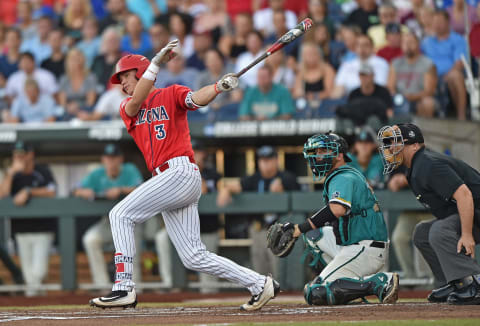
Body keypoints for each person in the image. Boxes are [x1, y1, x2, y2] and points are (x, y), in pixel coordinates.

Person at [89, 40, 280, 310]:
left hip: (179, 171)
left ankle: (124, 286)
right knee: (193, 256)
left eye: (126, 76)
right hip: (169, 180)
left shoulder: (170, 93)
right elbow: (136, 103)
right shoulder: (127, 108)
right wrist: (155, 64)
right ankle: (259, 283)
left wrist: (218, 87)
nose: (122, 83)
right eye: (119, 79)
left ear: (140, 73)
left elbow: (195, 99)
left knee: (119, 214)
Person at [277, 132, 399, 305]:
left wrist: (298, 228)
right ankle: (344, 279)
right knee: (314, 235)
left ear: (339, 155)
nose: (318, 157)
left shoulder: (343, 176)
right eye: (316, 153)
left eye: (322, 151)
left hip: (365, 248)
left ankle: (377, 283)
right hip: (353, 244)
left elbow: (337, 209)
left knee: (316, 293)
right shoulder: (343, 174)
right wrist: (305, 230)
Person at [378, 123, 480, 304]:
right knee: (422, 233)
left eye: (396, 142)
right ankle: (454, 282)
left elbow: (465, 195)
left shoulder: (427, 163)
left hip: (474, 209)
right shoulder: (417, 166)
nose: (391, 147)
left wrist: (466, 234)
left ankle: (471, 283)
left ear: (415, 145)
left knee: (439, 230)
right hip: (472, 212)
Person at [217, 145, 300, 277]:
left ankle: (283, 293)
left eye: (269, 160)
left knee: (279, 269)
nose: (266, 164)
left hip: (280, 230)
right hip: (259, 228)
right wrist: (225, 189)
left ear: (276, 160)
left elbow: (299, 202)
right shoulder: (254, 179)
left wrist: (281, 193)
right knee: (259, 270)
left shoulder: (286, 177)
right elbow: (236, 186)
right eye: (263, 160)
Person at [75, 144, 143, 289]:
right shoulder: (97, 173)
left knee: (130, 253)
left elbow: (142, 189)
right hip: (108, 223)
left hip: (131, 222)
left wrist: (121, 190)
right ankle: (103, 286)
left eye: (114, 158)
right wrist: (83, 192)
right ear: (103, 160)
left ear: (120, 159)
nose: (111, 162)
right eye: (108, 158)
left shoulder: (130, 169)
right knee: (90, 239)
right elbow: (76, 189)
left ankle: (134, 289)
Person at [0, 141, 56, 296]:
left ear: (30, 155)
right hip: (21, 229)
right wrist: (11, 173)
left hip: (43, 228)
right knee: (29, 275)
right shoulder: (12, 174)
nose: (19, 158)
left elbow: (52, 191)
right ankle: (36, 308)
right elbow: (2, 195)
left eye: (22, 154)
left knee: (39, 272)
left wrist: (29, 191)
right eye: (16, 155)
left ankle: (36, 303)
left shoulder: (42, 170)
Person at [421, 10, 468, 120]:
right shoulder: (427, 42)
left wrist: (446, 76)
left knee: (456, 76)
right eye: (435, 22)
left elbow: (459, 63)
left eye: (440, 21)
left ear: (448, 22)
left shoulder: (457, 39)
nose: (437, 25)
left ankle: (461, 116)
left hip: (449, 74)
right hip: (429, 76)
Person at [388, 32, 437, 117]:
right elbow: (390, 87)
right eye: (405, 43)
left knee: (428, 102)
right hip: (399, 99)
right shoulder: (395, 63)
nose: (407, 45)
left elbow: (429, 91)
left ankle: (423, 129)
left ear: (418, 44)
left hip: (419, 99)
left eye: (411, 42)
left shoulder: (428, 64)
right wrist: (399, 97)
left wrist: (411, 97)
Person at [337, 63, 393, 130]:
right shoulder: (354, 93)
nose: (364, 78)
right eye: (362, 75)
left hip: (380, 129)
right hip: (358, 129)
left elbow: (389, 113)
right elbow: (350, 113)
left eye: (366, 75)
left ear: (373, 76)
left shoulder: (383, 92)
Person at [58, 48, 99, 121]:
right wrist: (70, 108)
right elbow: (62, 102)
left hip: (86, 110)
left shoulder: (90, 78)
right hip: (68, 111)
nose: (75, 61)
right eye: (72, 59)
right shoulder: (64, 79)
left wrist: (77, 109)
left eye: (77, 58)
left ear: (82, 59)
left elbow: (90, 102)